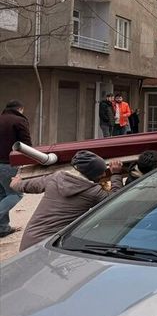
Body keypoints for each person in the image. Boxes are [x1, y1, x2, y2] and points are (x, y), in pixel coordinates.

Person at [11, 150, 124, 251]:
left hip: (29, 240)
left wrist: (16, 183)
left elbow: (28, 186)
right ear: (94, 174)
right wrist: (116, 174)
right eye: (102, 172)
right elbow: (116, 203)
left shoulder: (56, 178)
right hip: (50, 245)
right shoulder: (92, 192)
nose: (104, 174)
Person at [0, 100, 31, 238]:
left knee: (2, 195)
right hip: (9, 163)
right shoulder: (19, 121)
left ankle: (3, 228)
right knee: (15, 194)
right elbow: (26, 145)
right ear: (20, 109)